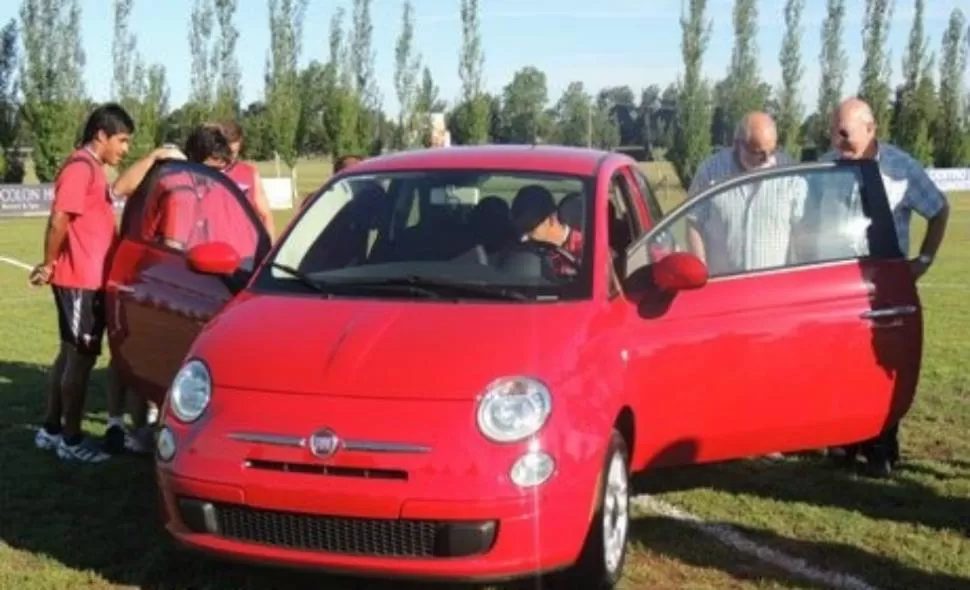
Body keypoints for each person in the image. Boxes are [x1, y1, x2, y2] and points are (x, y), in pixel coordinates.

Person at [822, 97, 950, 478]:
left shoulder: (900, 168)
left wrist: (922, 261)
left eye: (844, 133)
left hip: (886, 288)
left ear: (870, 129)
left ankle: (882, 447)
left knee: (882, 369)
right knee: (842, 362)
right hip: (840, 287)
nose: (837, 140)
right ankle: (844, 442)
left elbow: (939, 209)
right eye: (833, 131)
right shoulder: (828, 168)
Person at [29, 103, 134, 463]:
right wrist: (48, 262)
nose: (124, 149)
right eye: (121, 140)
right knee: (81, 360)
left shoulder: (93, 168)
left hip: (85, 280)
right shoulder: (80, 168)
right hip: (82, 283)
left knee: (68, 354)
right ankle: (71, 441)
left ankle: (51, 428)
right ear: (101, 135)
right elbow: (59, 219)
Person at [685, 112, 801, 276]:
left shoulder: (790, 174)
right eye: (759, 152)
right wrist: (700, 273)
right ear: (738, 144)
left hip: (774, 288)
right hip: (724, 287)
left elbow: (803, 231)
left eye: (772, 150)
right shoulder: (711, 172)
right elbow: (694, 223)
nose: (767, 158)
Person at [509, 184, 584, 277]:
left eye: (530, 228)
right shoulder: (514, 251)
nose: (523, 238)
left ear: (552, 219)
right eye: (521, 230)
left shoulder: (585, 249)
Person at [217, 120, 275, 238]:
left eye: (234, 152)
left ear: (240, 142)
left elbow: (266, 215)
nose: (230, 157)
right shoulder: (204, 173)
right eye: (226, 152)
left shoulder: (249, 173)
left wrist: (271, 252)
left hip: (247, 251)